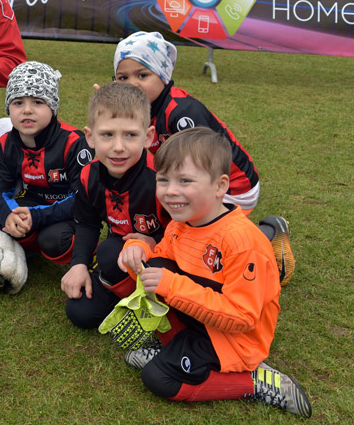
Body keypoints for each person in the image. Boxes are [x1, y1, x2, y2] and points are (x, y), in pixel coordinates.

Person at [117, 128, 311, 417]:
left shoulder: (241, 243)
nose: (170, 191)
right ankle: (175, 347)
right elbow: (160, 264)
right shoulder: (181, 223)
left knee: (158, 378)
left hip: (234, 339)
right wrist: (137, 249)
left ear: (220, 186)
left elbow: (243, 317)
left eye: (185, 181)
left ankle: (255, 382)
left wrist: (171, 286)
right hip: (200, 320)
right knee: (157, 269)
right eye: (163, 180)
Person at [112, 31, 294, 283]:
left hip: (232, 187)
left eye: (143, 75)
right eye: (123, 77)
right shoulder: (141, 108)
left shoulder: (182, 113)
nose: (132, 84)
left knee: (201, 253)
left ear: (163, 77)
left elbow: (202, 170)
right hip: (193, 182)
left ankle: (267, 238)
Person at [61, 82, 170, 331]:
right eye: (107, 135)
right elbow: (86, 223)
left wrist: (152, 243)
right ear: (90, 137)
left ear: (148, 137)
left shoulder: (162, 179)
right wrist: (78, 265)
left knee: (110, 252)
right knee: (80, 312)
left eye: (130, 135)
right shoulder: (89, 175)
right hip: (123, 259)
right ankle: (127, 296)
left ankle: (150, 303)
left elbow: (188, 231)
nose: (118, 147)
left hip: (164, 257)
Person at [0, 61, 92, 266]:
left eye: (37, 102)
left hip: (69, 211)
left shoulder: (74, 142)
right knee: (6, 222)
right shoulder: (6, 142)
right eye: (18, 103)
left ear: (53, 107)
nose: (27, 110)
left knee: (53, 239)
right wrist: (9, 215)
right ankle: (28, 249)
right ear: (8, 108)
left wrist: (38, 216)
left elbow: (83, 199)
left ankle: (87, 253)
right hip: (33, 205)